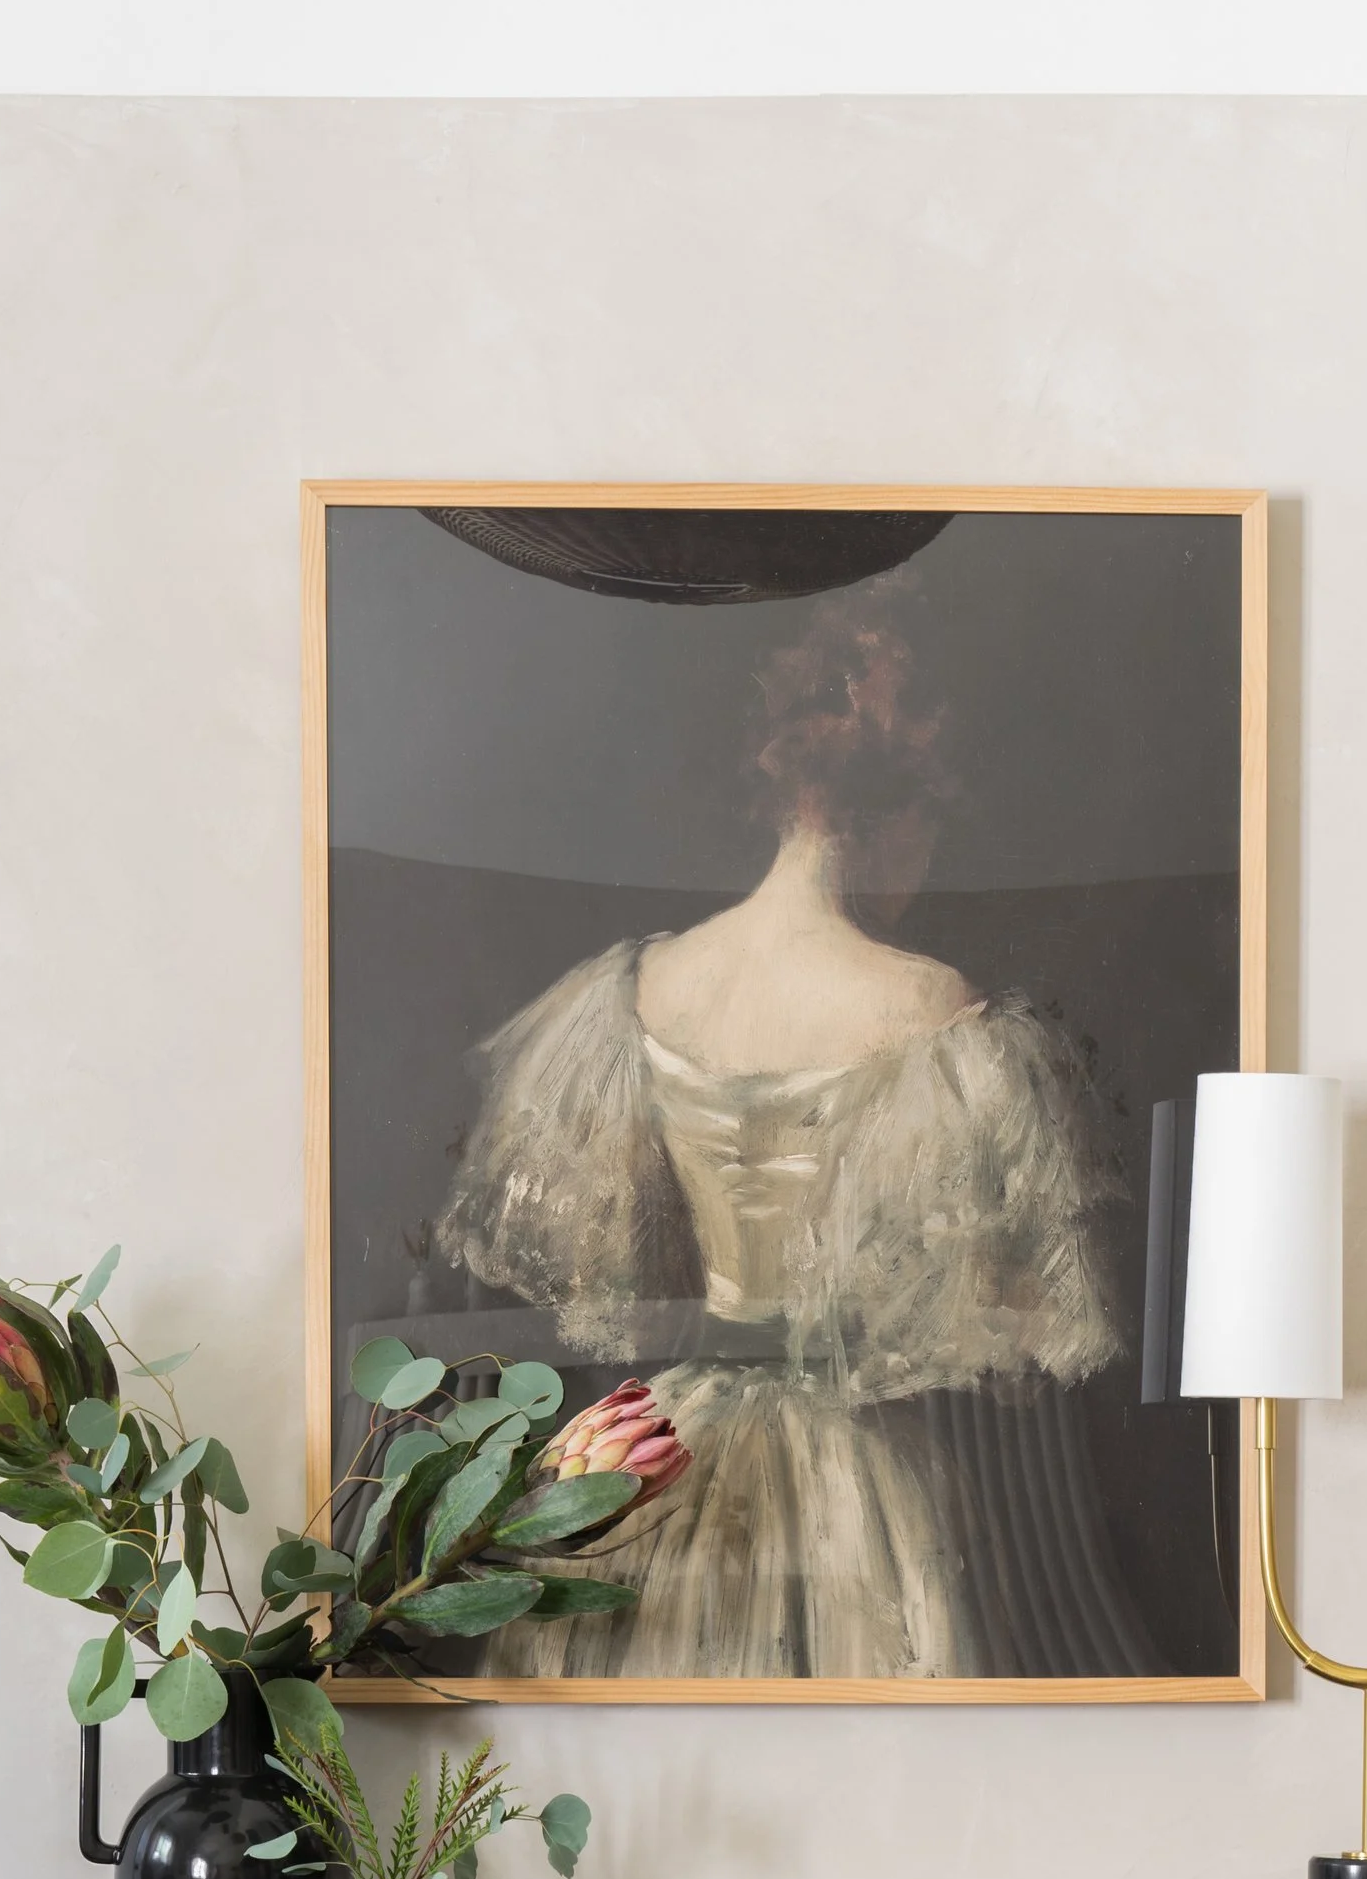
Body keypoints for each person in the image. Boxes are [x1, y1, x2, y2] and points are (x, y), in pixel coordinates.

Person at [439, 586, 1154, 1680]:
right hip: (852, 1471)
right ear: (895, 816)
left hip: (666, 1449)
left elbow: (607, 1253)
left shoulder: (638, 986)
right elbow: (990, 1313)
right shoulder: (929, 1007)